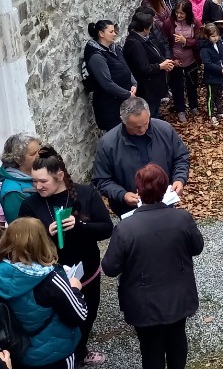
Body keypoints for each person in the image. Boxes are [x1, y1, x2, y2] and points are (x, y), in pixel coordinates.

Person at [102, 164, 204, 369]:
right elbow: (197, 247)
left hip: (143, 303)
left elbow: (110, 268)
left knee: (151, 350)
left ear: (138, 192)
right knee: (177, 340)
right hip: (178, 297)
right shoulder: (182, 218)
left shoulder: (125, 228)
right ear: (165, 188)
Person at [19, 145, 113, 367]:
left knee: (87, 316)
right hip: (51, 280)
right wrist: (45, 235)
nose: (38, 186)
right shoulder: (29, 205)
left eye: (44, 181)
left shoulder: (86, 194)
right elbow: (23, 247)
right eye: (34, 181)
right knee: (59, 322)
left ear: (60, 175)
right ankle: (67, 357)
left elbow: (107, 229)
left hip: (87, 274)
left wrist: (81, 226)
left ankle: (81, 351)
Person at [0, 217, 88, 369]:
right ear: (42, 240)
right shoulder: (50, 278)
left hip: (15, 351)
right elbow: (79, 315)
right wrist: (74, 288)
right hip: (54, 355)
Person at [92, 96, 190, 217]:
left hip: (165, 204)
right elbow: (101, 179)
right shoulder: (108, 144)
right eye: (137, 127)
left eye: (146, 123)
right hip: (129, 211)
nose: (143, 129)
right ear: (124, 121)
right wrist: (122, 195)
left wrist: (179, 179)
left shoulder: (165, 130)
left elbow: (181, 157)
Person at [84, 20, 137, 132]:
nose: (114, 34)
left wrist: (133, 83)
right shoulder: (96, 57)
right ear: (101, 34)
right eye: (111, 31)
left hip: (123, 101)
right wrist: (127, 94)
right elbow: (106, 83)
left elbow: (125, 67)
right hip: (110, 107)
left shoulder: (114, 48)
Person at [123, 9, 173, 118]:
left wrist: (164, 61)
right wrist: (161, 66)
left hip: (153, 88)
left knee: (155, 112)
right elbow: (143, 68)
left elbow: (154, 53)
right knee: (151, 115)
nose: (151, 30)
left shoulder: (142, 39)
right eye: (150, 27)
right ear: (145, 28)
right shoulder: (134, 44)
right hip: (147, 90)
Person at [162, 0, 200, 123]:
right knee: (177, 86)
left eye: (182, 14)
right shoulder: (169, 23)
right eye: (177, 13)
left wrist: (186, 41)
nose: (179, 16)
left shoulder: (195, 23)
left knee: (192, 84)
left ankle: (194, 106)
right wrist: (172, 59)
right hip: (175, 60)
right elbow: (165, 43)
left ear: (188, 14)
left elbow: (199, 41)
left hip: (191, 59)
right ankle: (180, 110)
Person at [0, 134, 41, 224]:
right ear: (18, 160)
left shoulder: (39, 173)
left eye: (40, 151)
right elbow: (21, 229)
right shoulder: (13, 191)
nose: (40, 155)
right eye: (34, 153)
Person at [200, 23, 223, 127]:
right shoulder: (204, 49)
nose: (215, 38)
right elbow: (207, 64)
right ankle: (211, 115)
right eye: (213, 36)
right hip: (211, 77)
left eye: (217, 36)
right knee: (211, 96)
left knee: (219, 95)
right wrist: (221, 69)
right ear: (207, 36)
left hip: (222, 75)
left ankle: (220, 112)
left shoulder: (219, 44)